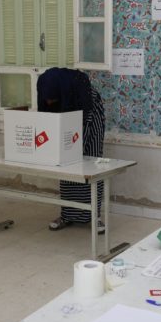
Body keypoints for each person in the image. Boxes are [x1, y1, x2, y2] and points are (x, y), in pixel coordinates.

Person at [37, 67, 106, 233]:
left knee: (90, 165)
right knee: (66, 164)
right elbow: (46, 116)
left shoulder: (84, 94)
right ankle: (67, 215)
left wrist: (76, 145)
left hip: (90, 120)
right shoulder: (49, 86)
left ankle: (94, 216)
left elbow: (85, 121)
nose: (49, 102)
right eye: (47, 99)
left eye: (52, 98)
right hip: (67, 112)